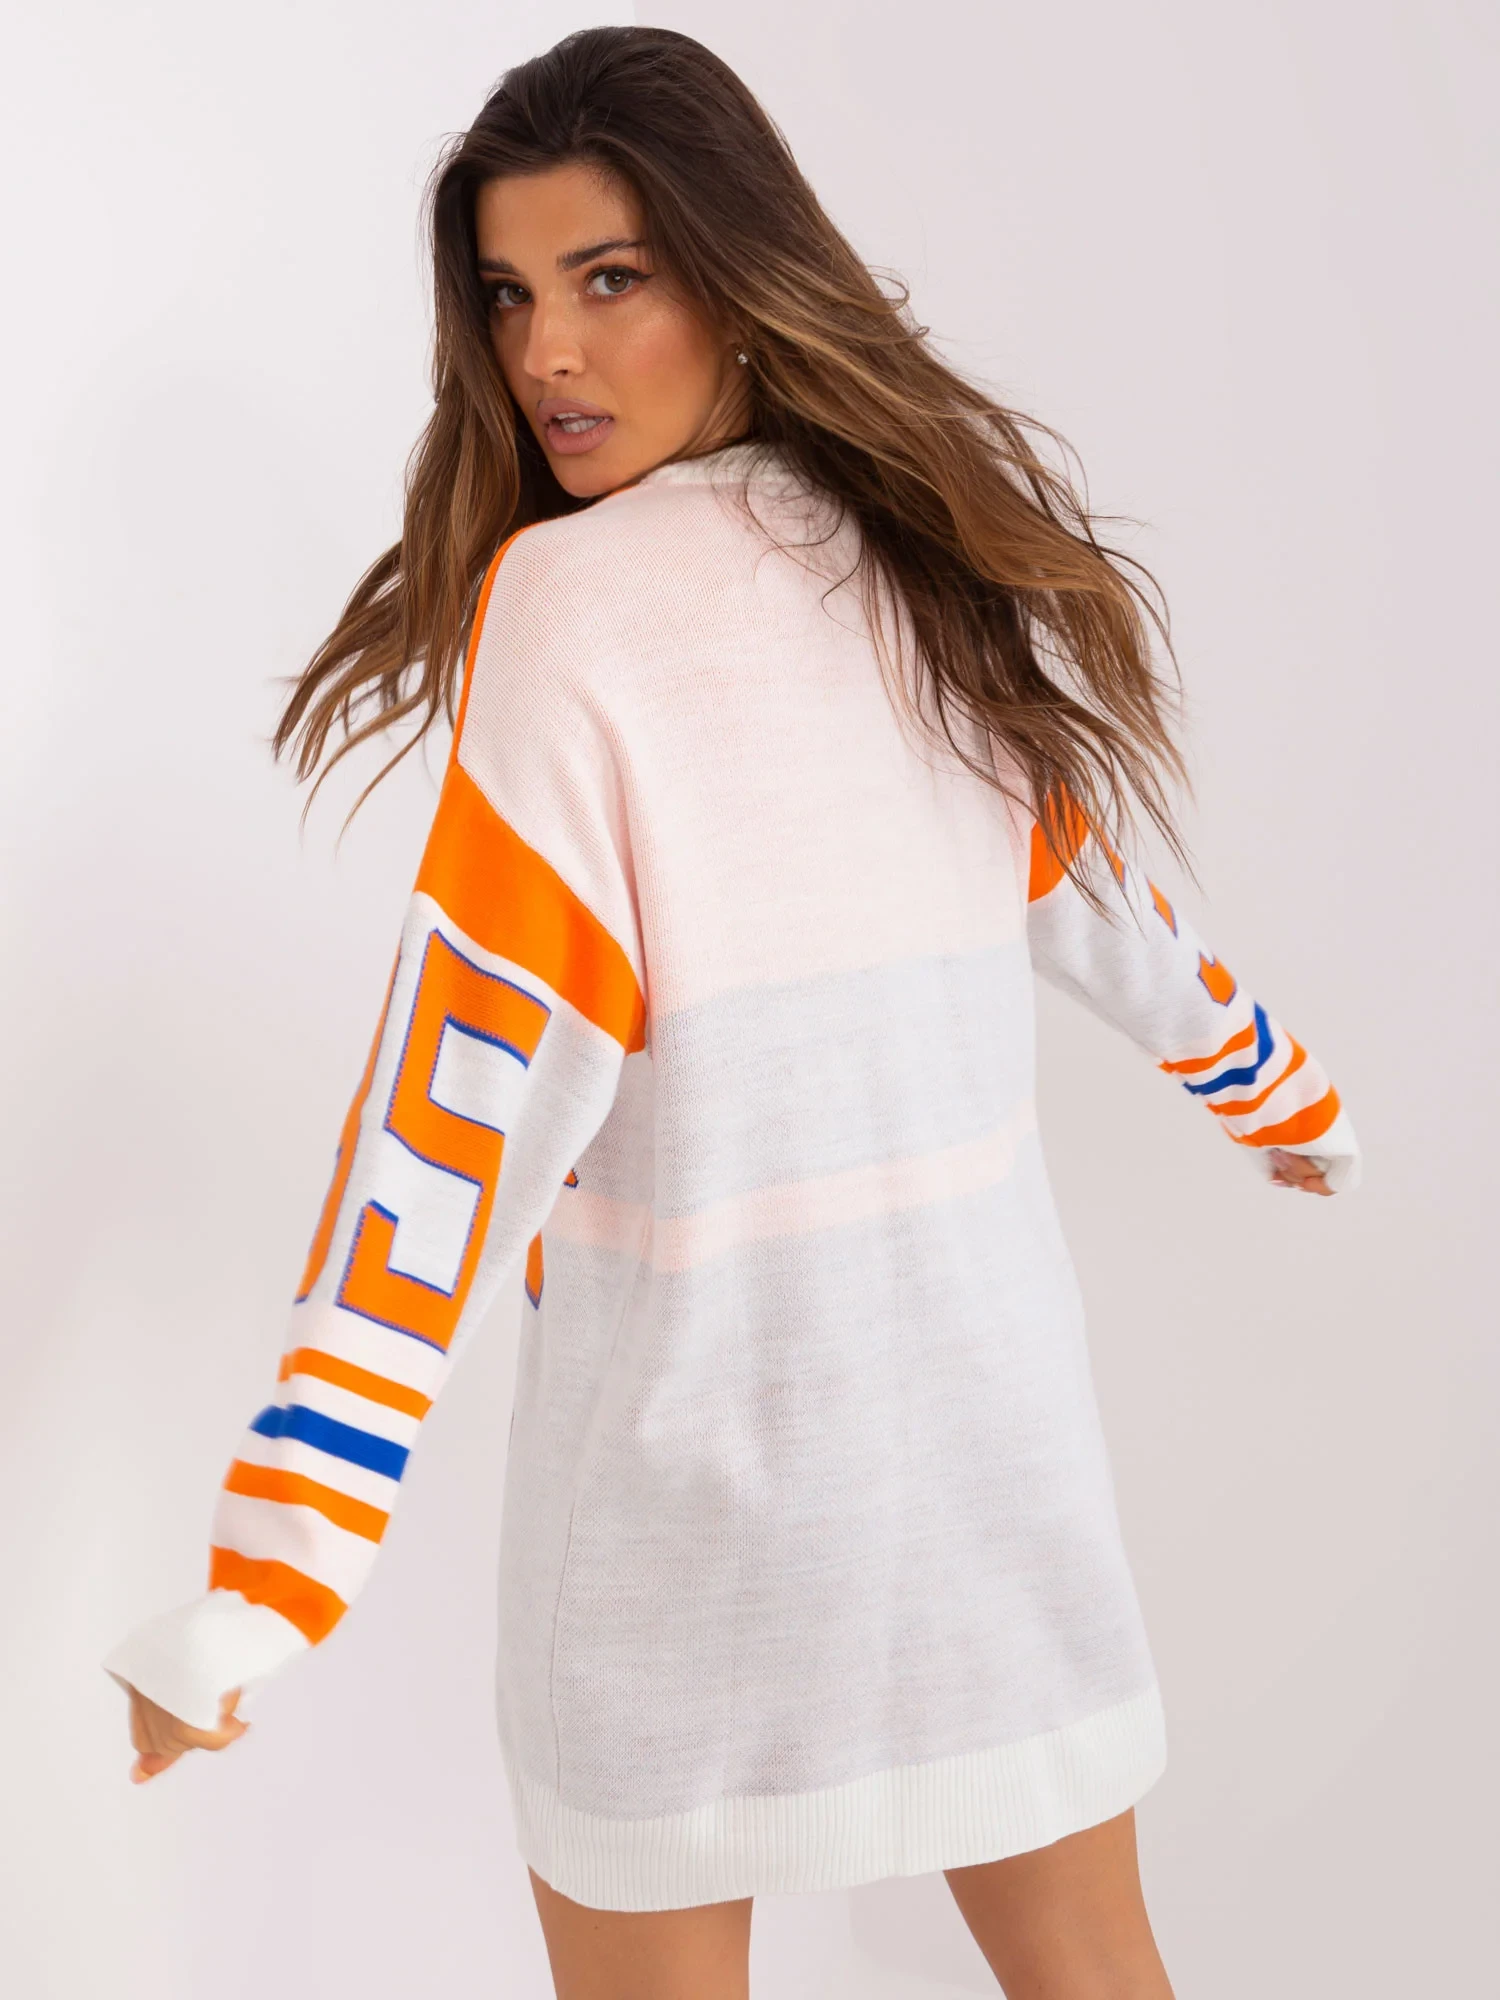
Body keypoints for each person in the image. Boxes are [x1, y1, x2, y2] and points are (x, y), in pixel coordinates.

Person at [102, 25, 1359, 1999]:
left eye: (610, 279)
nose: (547, 355)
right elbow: (1098, 893)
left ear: (741, 272)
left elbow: (448, 1118)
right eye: (510, 296)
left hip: (688, 1526)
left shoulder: (568, 611)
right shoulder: (918, 570)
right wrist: (1280, 1093)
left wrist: (270, 1577)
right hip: (988, 1472)